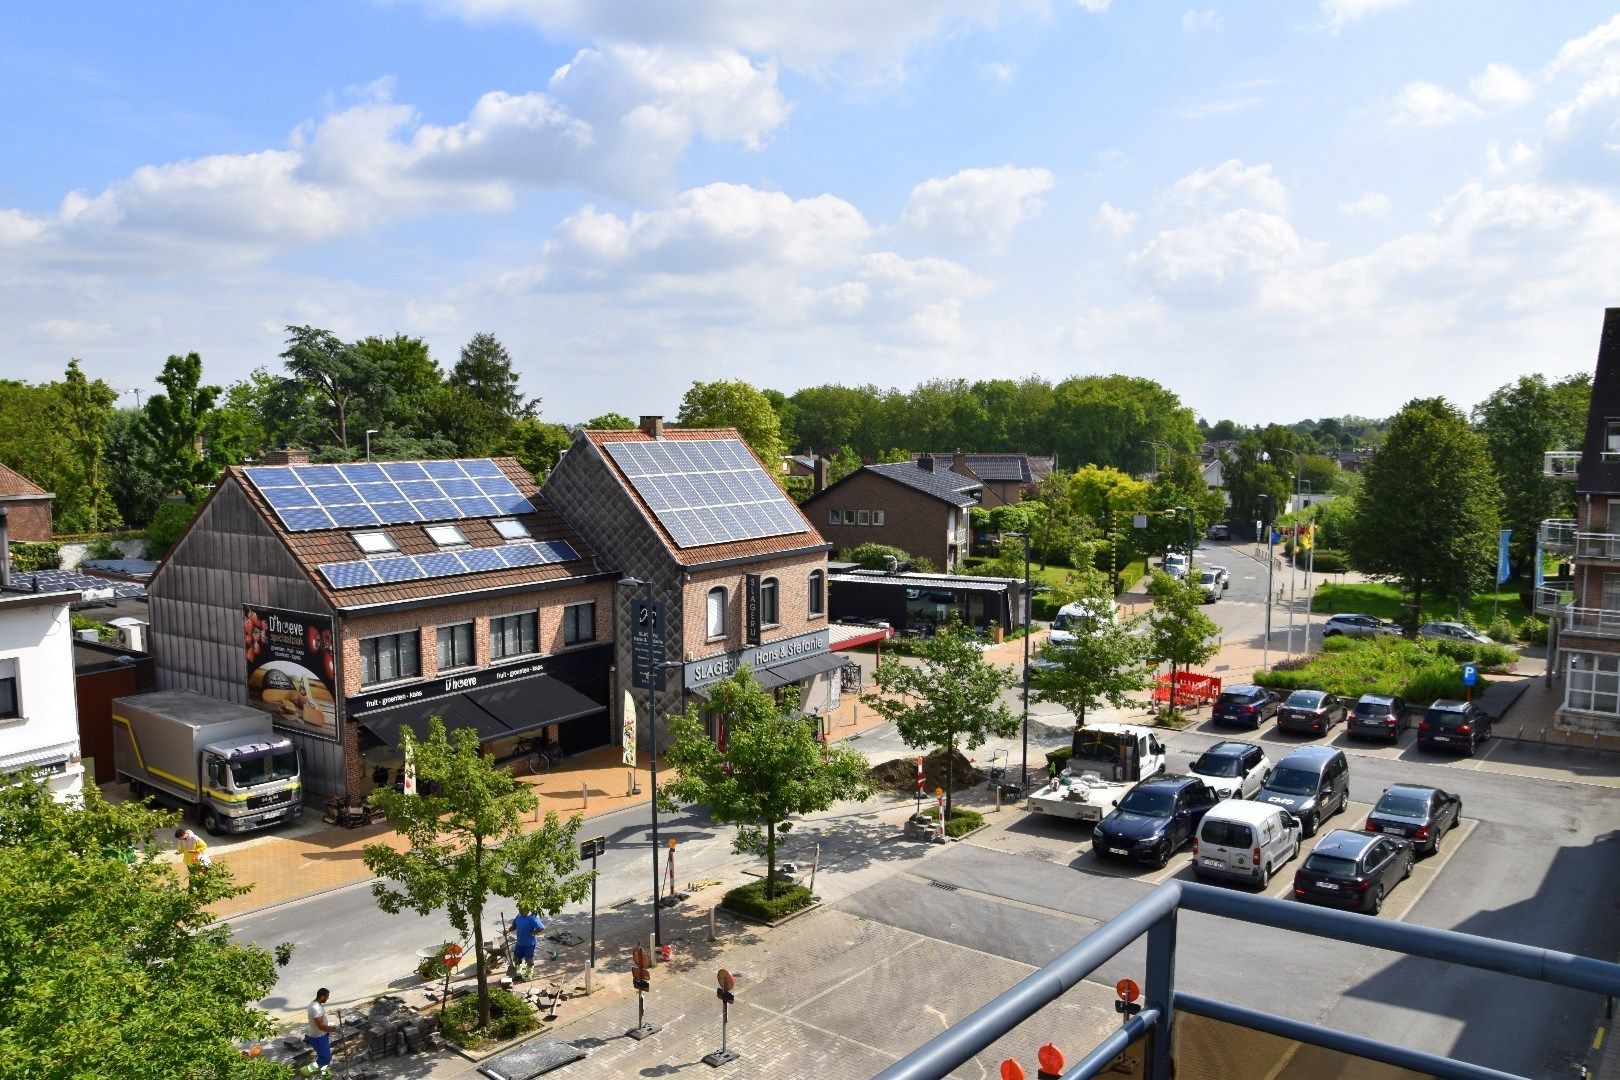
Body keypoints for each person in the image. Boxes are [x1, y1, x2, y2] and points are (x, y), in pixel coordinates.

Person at [301, 988, 337, 1077]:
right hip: (318, 1037)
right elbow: (321, 1026)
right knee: (326, 1058)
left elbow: (321, 1023)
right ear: (322, 996)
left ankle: (325, 1074)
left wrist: (329, 1027)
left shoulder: (315, 1004)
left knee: (323, 1056)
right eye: (327, 997)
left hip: (320, 1035)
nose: (327, 999)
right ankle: (306, 1070)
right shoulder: (315, 1008)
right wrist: (335, 1030)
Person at [510, 908, 544, 980]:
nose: (521, 912)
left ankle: (528, 974)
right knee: (517, 958)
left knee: (529, 959)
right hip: (519, 943)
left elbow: (541, 927)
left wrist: (534, 933)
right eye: (520, 910)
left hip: (529, 944)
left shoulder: (532, 918)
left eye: (522, 910)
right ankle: (518, 973)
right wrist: (508, 930)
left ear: (527, 910)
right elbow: (514, 926)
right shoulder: (518, 917)